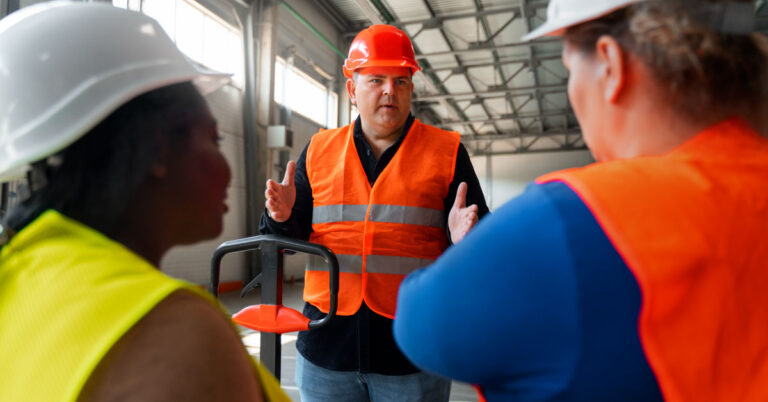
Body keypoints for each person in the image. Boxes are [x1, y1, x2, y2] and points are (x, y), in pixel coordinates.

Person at [392, 0, 768, 401]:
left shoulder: (576, 219)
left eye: (570, 69)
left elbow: (421, 323)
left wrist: (465, 252)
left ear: (611, 65)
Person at [0, 3, 288, 401]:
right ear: (157, 152)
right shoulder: (180, 335)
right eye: (213, 139)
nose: (226, 167)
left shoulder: (18, 277)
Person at [260, 24, 489, 401]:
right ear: (352, 89)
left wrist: (466, 238)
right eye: (377, 80)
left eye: (401, 81)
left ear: (411, 88)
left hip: (412, 354)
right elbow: (283, 240)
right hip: (326, 351)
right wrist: (282, 216)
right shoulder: (319, 151)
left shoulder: (445, 152)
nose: (390, 91)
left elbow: (482, 237)